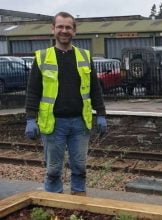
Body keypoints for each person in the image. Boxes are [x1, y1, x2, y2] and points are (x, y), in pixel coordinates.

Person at [25, 11, 107, 196]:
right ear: (53, 29)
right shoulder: (42, 57)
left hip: (80, 123)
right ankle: (54, 206)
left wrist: (101, 113)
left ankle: (78, 205)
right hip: (54, 124)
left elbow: (95, 89)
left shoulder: (85, 56)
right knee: (53, 171)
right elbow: (33, 92)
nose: (64, 31)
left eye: (68, 27)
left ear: (74, 31)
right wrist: (30, 118)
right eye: (60, 26)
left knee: (80, 168)